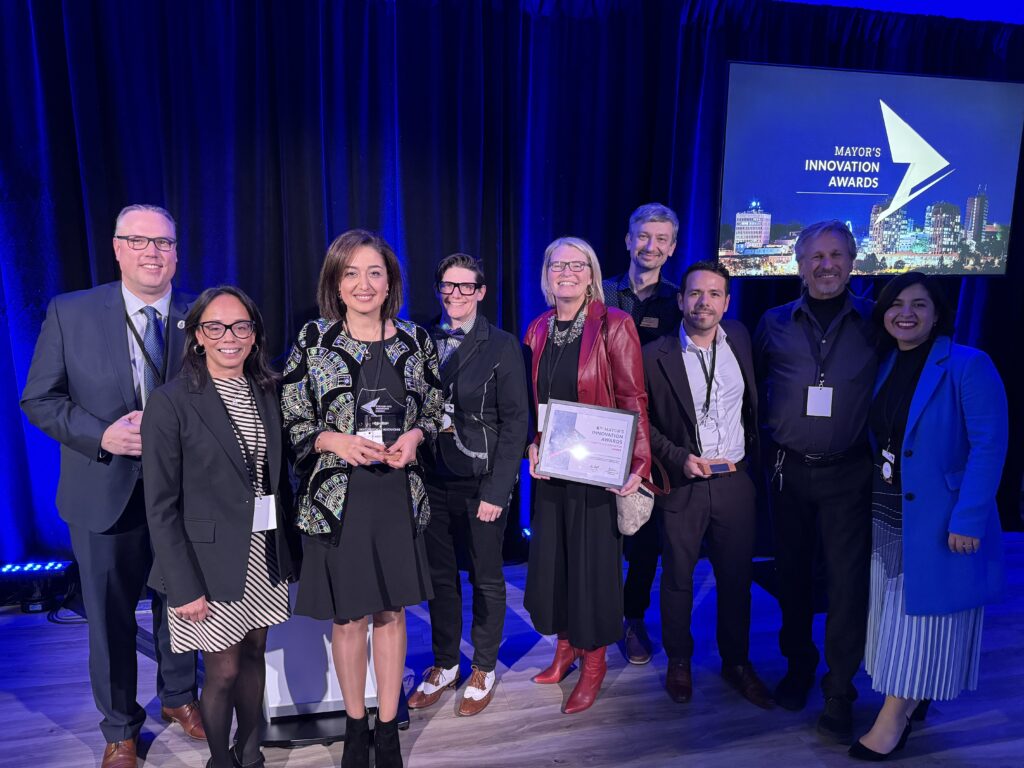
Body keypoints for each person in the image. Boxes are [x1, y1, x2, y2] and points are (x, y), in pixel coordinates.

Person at [21, 204, 203, 768]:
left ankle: (178, 698)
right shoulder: (70, 312)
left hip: (183, 494)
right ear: (118, 248)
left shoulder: (203, 316)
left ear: (177, 251)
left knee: (182, 605)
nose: (153, 252)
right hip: (102, 491)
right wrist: (104, 436)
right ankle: (121, 727)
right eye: (140, 241)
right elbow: (40, 399)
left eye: (165, 243)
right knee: (109, 615)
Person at [281, 229, 442, 768]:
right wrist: (334, 440)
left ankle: (389, 729)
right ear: (335, 282)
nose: (364, 283)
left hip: (398, 495)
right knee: (349, 618)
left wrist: (416, 437)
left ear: (391, 280)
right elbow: (292, 415)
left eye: (375, 272)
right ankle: (356, 728)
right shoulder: (313, 340)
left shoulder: (417, 341)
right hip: (338, 500)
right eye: (351, 272)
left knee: (391, 612)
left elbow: (436, 409)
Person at [849, 273, 1007, 761]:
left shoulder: (968, 364)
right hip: (887, 510)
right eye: (896, 304)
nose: (906, 313)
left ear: (938, 313)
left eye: (919, 304)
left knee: (923, 623)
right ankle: (910, 696)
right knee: (893, 618)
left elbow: (989, 446)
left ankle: (893, 718)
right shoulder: (886, 362)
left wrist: (969, 518)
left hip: (941, 520)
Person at [143, 286, 296, 768]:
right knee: (223, 671)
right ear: (197, 336)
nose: (229, 336)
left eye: (241, 326)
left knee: (255, 657)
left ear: (254, 335)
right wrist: (183, 586)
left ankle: (250, 754)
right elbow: (161, 506)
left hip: (261, 553)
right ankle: (220, 760)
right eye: (216, 326)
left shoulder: (268, 389)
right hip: (205, 563)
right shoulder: (170, 402)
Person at [754, 220, 878, 742]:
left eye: (836, 255)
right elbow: (755, 388)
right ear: (798, 265)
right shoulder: (773, 322)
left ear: (852, 261)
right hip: (788, 471)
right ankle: (799, 665)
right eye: (815, 257)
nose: (826, 265)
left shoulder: (878, 322)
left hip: (849, 472)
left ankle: (840, 687)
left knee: (849, 587)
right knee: (793, 575)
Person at [523, 236, 651, 715]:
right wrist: (532, 447)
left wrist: (636, 464)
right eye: (558, 265)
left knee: (592, 568)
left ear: (592, 273)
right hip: (555, 469)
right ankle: (565, 648)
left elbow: (634, 397)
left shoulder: (613, 324)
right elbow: (534, 404)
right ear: (547, 273)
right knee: (554, 563)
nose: (567, 273)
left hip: (599, 470)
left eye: (578, 265)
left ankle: (593, 660)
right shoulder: (537, 328)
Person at [643, 261, 772, 709]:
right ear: (680, 300)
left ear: (727, 302)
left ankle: (736, 663)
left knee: (736, 579)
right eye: (695, 293)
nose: (704, 302)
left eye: (714, 294)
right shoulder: (655, 355)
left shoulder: (739, 338)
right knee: (677, 579)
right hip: (684, 482)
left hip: (735, 479)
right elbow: (643, 424)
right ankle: (680, 660)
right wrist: (680, 459)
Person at [409, 254, 529, 716]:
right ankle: (444, 664)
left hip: (481, 480)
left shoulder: (501, 345)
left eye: (466, 287)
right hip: (431, 477)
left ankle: (483, 665)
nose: (455, 294)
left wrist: (499, 492)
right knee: (438, 579)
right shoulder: (420, 339)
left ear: (481, 292)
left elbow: (516, 421)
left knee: (485, 577)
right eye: (448, 286)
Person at [602, 203, 683, 665]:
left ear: (671, 249)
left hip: (653, 435)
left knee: (646, 536)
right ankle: (592, 621)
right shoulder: (601, 293)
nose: (650, 246)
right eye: (643, 236)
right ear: (629, 240)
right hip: (600, 430)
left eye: (661, 239)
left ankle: (634, 618)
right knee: (598, 534)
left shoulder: (678, 301)